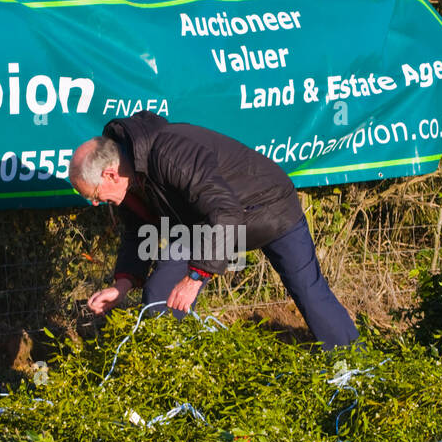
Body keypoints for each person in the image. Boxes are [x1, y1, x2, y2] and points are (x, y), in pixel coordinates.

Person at [69, 110, 358, 350]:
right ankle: (170, 373)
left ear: (109, 173)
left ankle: (355, 364)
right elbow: (138, 231)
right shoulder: (129, 178)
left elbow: (225, 211)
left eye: (93, 194)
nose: (94, 203)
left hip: (269, 208)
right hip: (207, 225)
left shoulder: (169, 153)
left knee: (308, 289)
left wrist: (195, 276)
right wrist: (122, 286)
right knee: (160, 296)